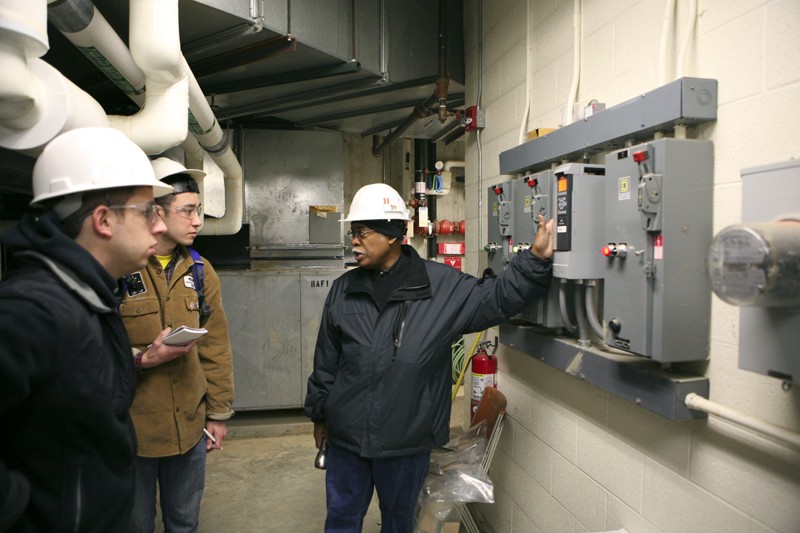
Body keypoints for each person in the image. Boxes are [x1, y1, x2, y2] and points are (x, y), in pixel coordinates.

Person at [304, 182, 554, 532]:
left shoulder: (442, 288)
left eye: (361, 232)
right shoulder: (344, 290)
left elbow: (497, 297)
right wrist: (319, 415)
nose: (354, 240)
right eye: (352, 232)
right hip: (347, 441)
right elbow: (326, 361)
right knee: (342, 521)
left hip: (406, 444)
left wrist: (536, 260)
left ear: (392, 234)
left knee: (399, 524)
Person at [0, 127, 177, 531]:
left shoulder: (89, 297)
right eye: (148, 211)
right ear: (102, 220)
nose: (159, 227)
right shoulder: (32, 310)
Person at [121, 158, 235, 533]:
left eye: (198, 211)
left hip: (188, 427)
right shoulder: (121, 270)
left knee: (184, 523)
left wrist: (217, 415)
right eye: (187, 211)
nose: (197, 221)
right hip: (132, 431)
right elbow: (87, 352)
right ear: (157, 211)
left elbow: (215, 348)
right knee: (135, 524)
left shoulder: (200, 272)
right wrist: (141, 359)